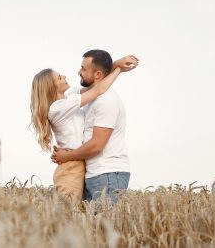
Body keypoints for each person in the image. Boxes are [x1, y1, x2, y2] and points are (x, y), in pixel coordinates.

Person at [31, 53, 138, 205]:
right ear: (52, 87)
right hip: (72, 165)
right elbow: (97, 87)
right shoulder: (59, 107)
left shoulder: (69, 98)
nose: (66, 76)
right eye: (60, 77)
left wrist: (116, 65)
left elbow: (97, 80)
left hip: (84, 164)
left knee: (83, 218)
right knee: (71, 215)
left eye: (83, 68)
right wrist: (118, 68)